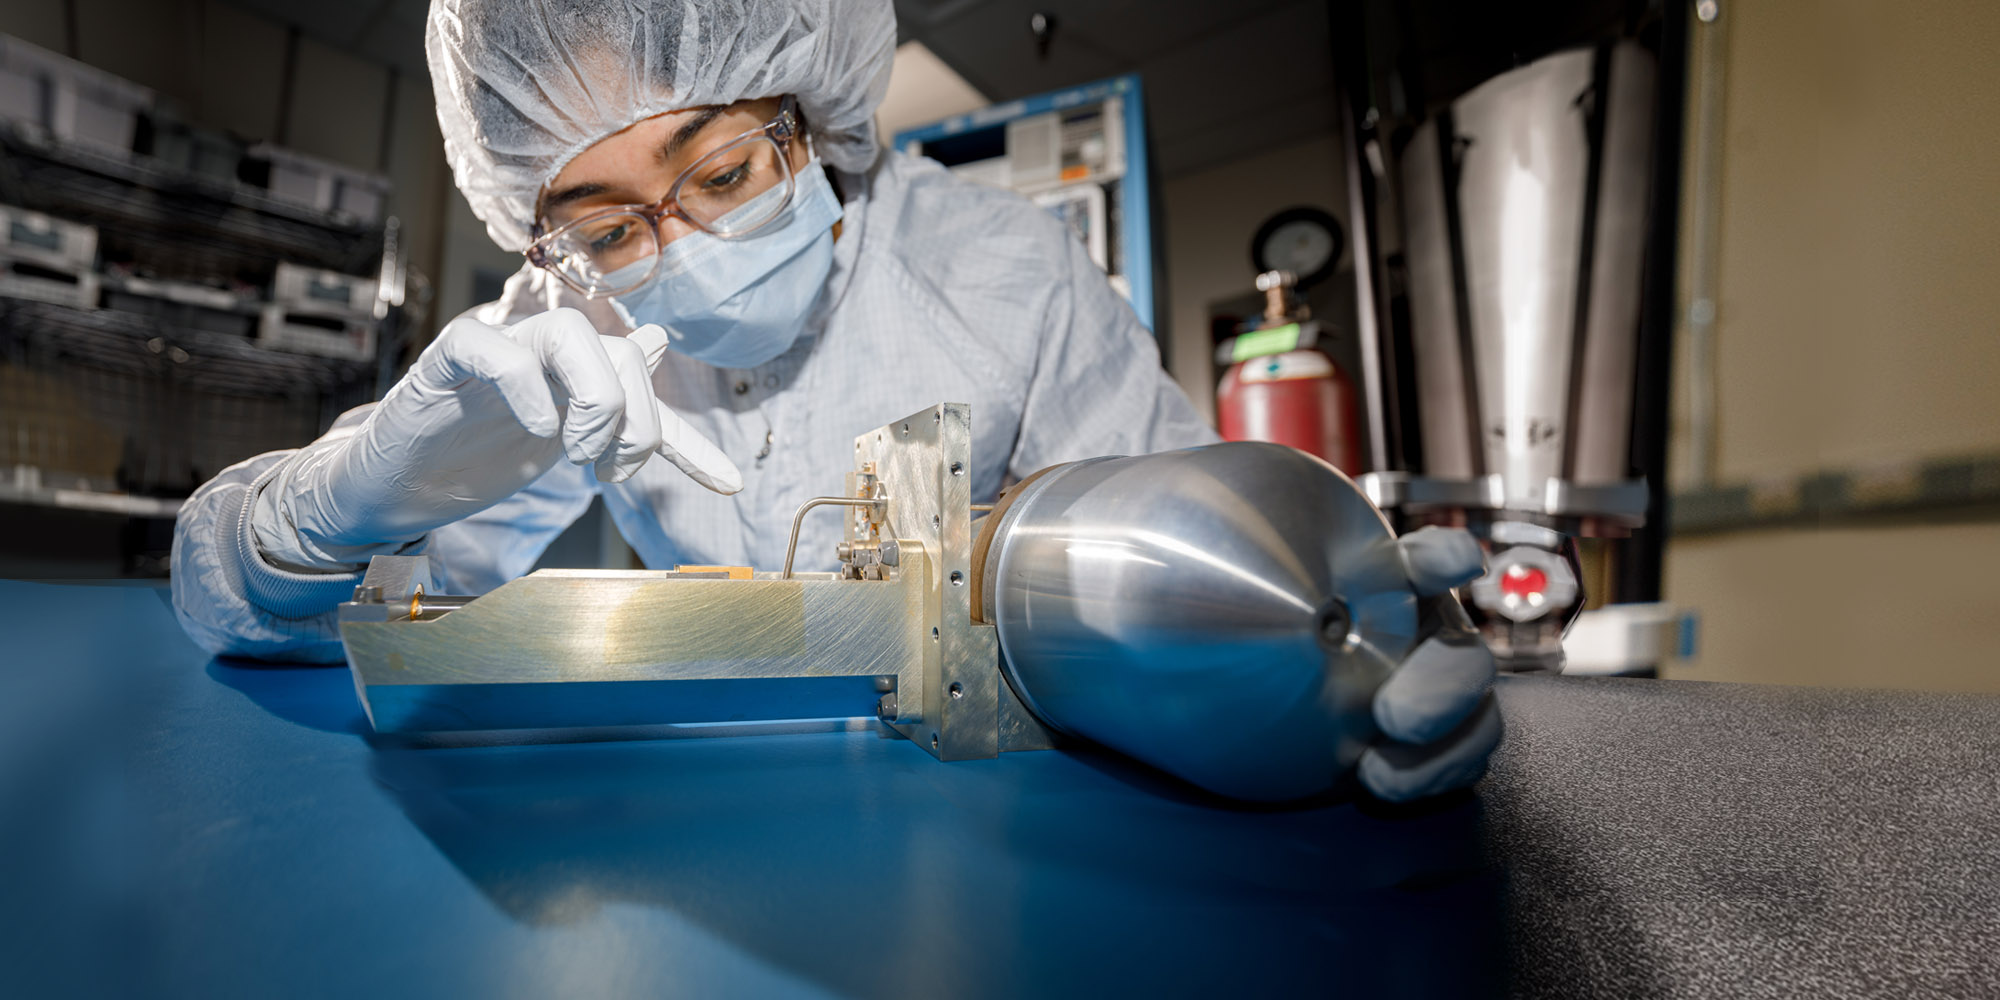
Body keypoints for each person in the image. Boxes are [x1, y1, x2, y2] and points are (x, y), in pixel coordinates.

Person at [170, 0, 1500, 802]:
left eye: (726, 170)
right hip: (713, 829)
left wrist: (1341, 647)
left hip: (1019, 832)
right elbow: (231, 610)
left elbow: (1204, 567)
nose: (678, 242)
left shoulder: (1000, 277)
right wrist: (330, 513)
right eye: (610, 226)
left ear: (807, 112)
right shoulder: (570, 332)